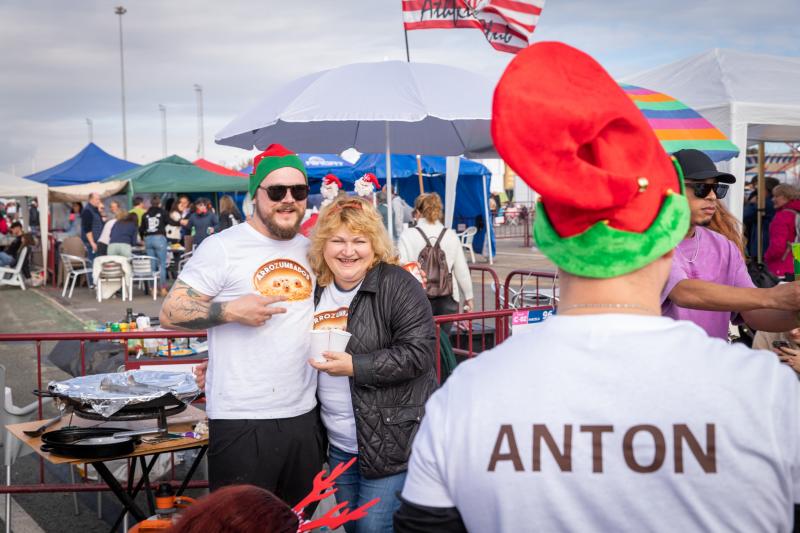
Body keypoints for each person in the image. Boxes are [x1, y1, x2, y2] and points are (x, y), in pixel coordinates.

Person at [395, 41, 800, 532]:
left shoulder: (466, 395)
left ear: (550, 237)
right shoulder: (767, 394)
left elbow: (424, 526)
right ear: (670, 232)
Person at [160, 144, 325, 506]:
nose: (288, 200)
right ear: (256, 194)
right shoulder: (222, 247)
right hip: (241, 420)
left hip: (303, 416)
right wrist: (231, 312)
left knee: (300, 524)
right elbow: (171, 311)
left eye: (298, 191)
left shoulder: (311, 249)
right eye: (276, 191)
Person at [307, 195, 437, 533]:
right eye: (337, 240)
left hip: (391, 439)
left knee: (372, 528)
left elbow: (419, 352)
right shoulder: (315, 291)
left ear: (374, 245)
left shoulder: (397, 284)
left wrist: (356, 366)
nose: (347, 251)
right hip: (339, 443)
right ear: (323, 245)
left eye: (358, 241)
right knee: (354, 528)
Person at [661, 149, 800, 340]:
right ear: (671, 190)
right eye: (702, 188)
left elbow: (753, 313)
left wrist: (795, 312)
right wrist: (774, 296)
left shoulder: (722, 245)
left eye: (717, 189)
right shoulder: (650, 241)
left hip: (714, 365)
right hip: (661, 366)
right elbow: (684, 293)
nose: (712, 196)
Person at [397, 193, 474, 317]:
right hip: (448, 297)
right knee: (443, 336)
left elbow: (401, 267)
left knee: (420, 336)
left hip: (416, 299)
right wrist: (468, 296)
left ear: (417, 212)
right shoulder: (450, 235)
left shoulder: (407, 235)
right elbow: (462, 270)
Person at [764, 184, 800, 279]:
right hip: (797, 263)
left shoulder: (782, 217)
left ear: (786, 197)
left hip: (782, 266)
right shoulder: (797, 212)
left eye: (776, 196)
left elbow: (777, 247)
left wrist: (766, 257)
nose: (772, 199)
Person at [743, 176, 779, 258]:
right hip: (765, 243)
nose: (758, 190)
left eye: (760, 188)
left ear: (767, 189)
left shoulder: (765, 203)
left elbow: (745, 215)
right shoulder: (770, 202)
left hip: (762, 244)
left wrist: (752, 203)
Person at [140, 195, 169, 296]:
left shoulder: (145, 214)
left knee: (152, 266)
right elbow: (168, 222)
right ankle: (163, 289)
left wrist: (143, 239)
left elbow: (141, 229)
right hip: (159, 238)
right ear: (159, 203)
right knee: (162, 265)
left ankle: (153, 289)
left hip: (148, 239)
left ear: (151, 204)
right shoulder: (163, 212)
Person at [80, 193, 104, 277]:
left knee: (96, 263)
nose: (99, 201)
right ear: (91, 199)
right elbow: (87, 229)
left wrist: (100, 210)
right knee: (92, 263)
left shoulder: (94, 209)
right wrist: (92, 242)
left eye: (99, 199)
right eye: (97, 199)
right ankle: (92, 284)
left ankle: (96, 282)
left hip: (97, 240)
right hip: (92, 242)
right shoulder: (87, 211)